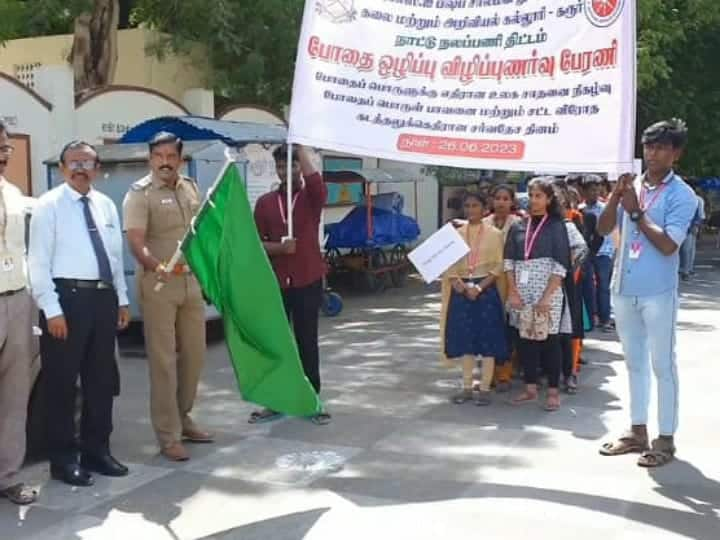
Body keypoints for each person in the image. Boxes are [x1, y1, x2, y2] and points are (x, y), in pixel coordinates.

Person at [29, 141, 130, 486]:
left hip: (103, 300)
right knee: (61, 384)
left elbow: (114, 258)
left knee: (101, 381)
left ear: (97, 167)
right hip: (66, 301)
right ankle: (63, 458)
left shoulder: (105, 205)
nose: (80, 168)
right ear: (61, 168)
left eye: (86, 162)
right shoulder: (49, 206)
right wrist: (52, 310)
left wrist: (122, 300)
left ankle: (96, 451)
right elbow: (38, 264)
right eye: (73, 162)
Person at [598, 119, 697, 468]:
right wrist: (615, 198)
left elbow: (670, 245)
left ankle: (665, 438)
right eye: (648, 146)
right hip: (623, 287)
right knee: (634, 362)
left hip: (658, 291)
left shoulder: (683, 195)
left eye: (660, 147)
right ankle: (636, 429)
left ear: (676, 153)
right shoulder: (633, 185)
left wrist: (636, 212)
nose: (652, 154)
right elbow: (603, 227)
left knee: (662, 365)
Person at [124, 132, 212, 462]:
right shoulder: (140, 194)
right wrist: (153, 264)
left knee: (195, 355)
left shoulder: (190, 187)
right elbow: (136, 240)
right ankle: (168, 434)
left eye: (170, 156)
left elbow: (199, 234)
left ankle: (184, 417)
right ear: (150, 159)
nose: (164, 162)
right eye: (158, 156)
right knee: (163, 362)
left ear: (180, 158)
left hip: (190, 284)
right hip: (159, 285)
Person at [251, 145, 331, 425]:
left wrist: (299, 146)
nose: (287, 171)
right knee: (277, 343)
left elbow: (316, 182)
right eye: (282, 166)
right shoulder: (265, 203)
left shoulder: (311, 198)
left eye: (292, 165)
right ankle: (276, 400)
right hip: (276, 284)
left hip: (307, 279)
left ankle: (312, 400)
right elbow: (255, 245)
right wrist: (278, 248)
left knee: (306, 341)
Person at [505, 177, 572, 412]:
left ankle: (553, 391)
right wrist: (513, 291)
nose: (534, 200)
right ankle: (530, 388)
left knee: (550, 342)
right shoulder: (518, 226)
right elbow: (509, 262)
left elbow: (561, 265)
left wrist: (546, 297)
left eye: (539, 196)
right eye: (531, 196)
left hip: (548, 291)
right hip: (522, 293)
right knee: (525, 341)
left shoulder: (556, 226)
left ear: (549, 199)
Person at [440, 192, 508, 406]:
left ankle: (485, 388)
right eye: (467, 206)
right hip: (461, 290)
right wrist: (459, 285)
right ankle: (467, 387)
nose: (470, 210)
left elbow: (499, 266)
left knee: (488, 341)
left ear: (484, 207)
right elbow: (448, 265)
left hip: (485, 290)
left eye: (475, 205)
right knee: (466, 340)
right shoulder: (456, 234)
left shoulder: (495, 234)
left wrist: (478, 287)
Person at [0, 121, 37, 504]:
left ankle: (8, 475)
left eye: (6, 147)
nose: (3, 154)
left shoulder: (13, 194)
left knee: (14, 394)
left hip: (18, 300)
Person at [483, 184, 522, 393]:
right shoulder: (483, 223)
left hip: (510, 280)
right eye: (497, 198)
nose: (501, 202)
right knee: (489, 326)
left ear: (512, 202)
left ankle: (505, 372)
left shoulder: (519, 224)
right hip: (487, 280)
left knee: (508, 327)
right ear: (491, 201)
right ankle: (488, 373)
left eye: (505, 198)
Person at [553, 180, 588, 394]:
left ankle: (570, 372)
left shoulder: (569, 225)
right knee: (551, 332)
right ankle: (551, 372)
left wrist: (566, 270)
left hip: (566, 285)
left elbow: (582, 250)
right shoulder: (537, 224)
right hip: (543, 286)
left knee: (569, 330)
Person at [580, 174, 616, 332]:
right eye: (591, 190)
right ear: (584, 191)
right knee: (588, 286)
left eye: (596, 190)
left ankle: (605, 318)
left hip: (604, 252)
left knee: (603, 286)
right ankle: (590, 317)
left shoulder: (604, 209)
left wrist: (611, 250)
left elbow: (609, 231)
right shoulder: (580, 210)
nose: (594, 193)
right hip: (585, 254)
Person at [679, 187, 705, 281]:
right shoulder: (678, 198)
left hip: (690, 228)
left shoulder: (697, 200)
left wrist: (696, 226)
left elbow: (699, 215)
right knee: (682, 250)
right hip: (679, 227)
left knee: (687, 249)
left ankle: (686, 270)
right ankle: (683, 269)